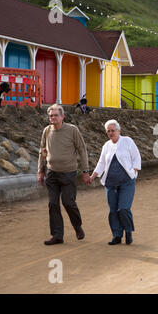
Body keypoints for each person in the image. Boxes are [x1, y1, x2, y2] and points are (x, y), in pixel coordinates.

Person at [38, 104, 90, 246]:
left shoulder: (72, 130)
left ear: (62, 116)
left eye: (55, 115)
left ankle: (77, 226)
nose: (52, 118)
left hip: (68, 173)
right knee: (53, 204)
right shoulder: (47, 131)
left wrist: (85, 171)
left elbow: (82, 150)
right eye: (50, 115)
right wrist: (41, 170)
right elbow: (42, 151)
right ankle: (57, 235)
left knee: (68, 202)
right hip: (52, 173)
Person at [89, 120, 141, 245]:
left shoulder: (127, 141)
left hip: (127, 181)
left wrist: (133, 171)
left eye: (113, 130)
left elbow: (136, 157)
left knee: (123, 208)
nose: (111, 133)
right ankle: (116, 235)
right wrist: (93, 176)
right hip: (110, 182)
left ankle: (128, 231)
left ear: (118, 130)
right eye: (108, 131)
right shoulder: (106, 145)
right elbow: (101, 163)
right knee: (112, 210)